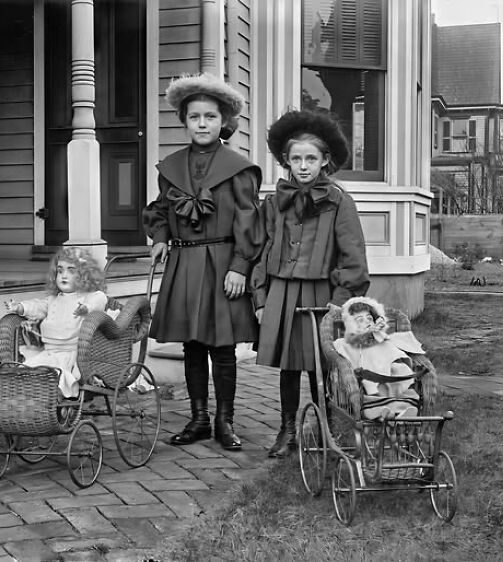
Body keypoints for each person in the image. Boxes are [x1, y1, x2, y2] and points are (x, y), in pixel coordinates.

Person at [142, 73, 264, 451]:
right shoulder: (172, 167)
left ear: (224, 121)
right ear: (184, 121)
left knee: (222, 346)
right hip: (185, 262)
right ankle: (198, 419)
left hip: (223, 263)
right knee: (191, 345)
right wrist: (160, 238)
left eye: (210, 117)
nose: (202, 124)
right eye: (194, 117)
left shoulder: (237, 168)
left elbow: (249, 220)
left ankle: (225, 421)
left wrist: (240, 266)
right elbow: (161, 211)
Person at [251, 108, 370, 458]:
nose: (303, 166)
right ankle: (287, 429)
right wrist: (261, 298)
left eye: (311, 159)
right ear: (286, 161)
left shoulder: (339, 202)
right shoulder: (275, 203)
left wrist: (339, 302)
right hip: (283, 293)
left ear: (324, 161)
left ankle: (326, 425)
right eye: (296, 159)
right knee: (288, 366)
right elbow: (263, 248)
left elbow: (353, 258)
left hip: (322, 295)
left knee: (322, 364)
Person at [4, 247, 108, 399]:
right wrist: (20, 307)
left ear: (85, 275)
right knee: (28, 373)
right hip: (49, 353)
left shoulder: (88, 297)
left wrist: (86, 308)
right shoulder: (53, 300)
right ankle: (34, 406)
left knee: (57, 378)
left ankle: (53, 403)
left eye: (71, 271)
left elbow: (100, 299)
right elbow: (37, 306)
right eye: (60, 271)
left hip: (74, 356)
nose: (64, 276)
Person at [333, 296, 425, 420]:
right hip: (370, 379)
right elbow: (344, 353)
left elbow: (392, 352)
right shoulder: (346, 344)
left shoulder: (381, 339)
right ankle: (382, 410)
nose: (366, 322)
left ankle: (402, 409)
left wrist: (396, 363)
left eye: (369, 318)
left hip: (390, 376)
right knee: (371, 378)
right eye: (360, 320)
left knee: (399, 369)